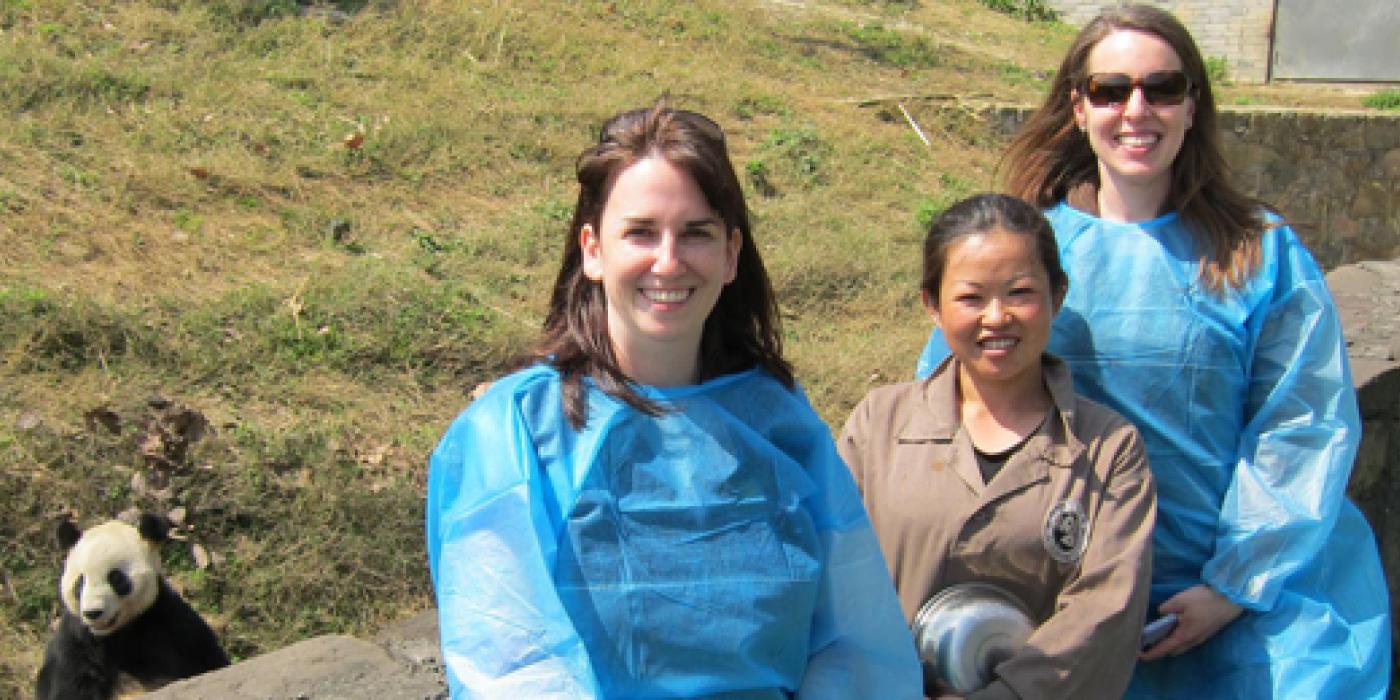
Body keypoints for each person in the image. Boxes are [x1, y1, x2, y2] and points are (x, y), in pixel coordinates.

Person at [916, 6, 1391, 698]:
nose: (1137, 109)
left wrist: (1234, 585)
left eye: (1162, 88)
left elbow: (1302, 424)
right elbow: (943, 413)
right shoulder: (1024, 252)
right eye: (1111, 90)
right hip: (1067, 597)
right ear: (1078, 108)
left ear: (1193, 105)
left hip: (1240, 603)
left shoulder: (1259, 253)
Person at [425, 102, 922, 699]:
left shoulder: (782, 422)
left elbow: (854, 646)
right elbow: (508, 663)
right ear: (593, 250)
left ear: (731, 254)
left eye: (696, 233)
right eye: (640, 231)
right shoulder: (510, 432)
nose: (668, 260)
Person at [844, 193, 1155, 699]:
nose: (997, 317)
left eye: (1020, 292)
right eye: (971, 297)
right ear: (932, 305)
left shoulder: (1108, 450)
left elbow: (1104, 612)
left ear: (1057, 295)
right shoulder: (880, 423)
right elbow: (837, 578)